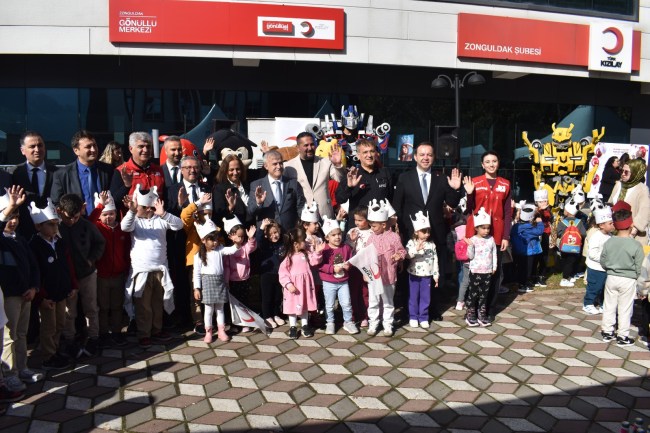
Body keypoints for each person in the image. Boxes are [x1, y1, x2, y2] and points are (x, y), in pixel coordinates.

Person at [392, 141, 463, 318]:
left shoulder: (441, 178)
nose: (425, 158)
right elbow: (397, 206)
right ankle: (409, 308)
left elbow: (452, 203)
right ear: (415, 157)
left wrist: (455, 189)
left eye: (429, 155)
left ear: (434, 157)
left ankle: (432, 308)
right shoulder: (405, 178)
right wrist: (398, 230)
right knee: (409, 272)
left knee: (434, 271)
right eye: (422, 154)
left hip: (435, 233)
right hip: (411, 234)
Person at [121, 185, 183, 349]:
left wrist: (163, 214)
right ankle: (144, 333)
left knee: (157, 303)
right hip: (141, 271)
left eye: (143, 207)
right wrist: (131, 211)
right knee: (143, 305)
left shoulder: (160, 220)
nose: (142, 209)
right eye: (140, 207)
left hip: (160, 270)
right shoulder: (134, 220)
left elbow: (179, 225)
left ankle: (157, 330)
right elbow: (124, 227)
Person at [0, 186, 42, 391]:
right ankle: (10, 374)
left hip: (26, 294)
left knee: (22, 333)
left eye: (16, 216)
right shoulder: (1, 241)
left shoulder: (20, 240)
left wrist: (34, 287)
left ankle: (22, 367)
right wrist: (8, 208)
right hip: (10, 296)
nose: (13, 221)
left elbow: (33, 266)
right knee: (10, 336)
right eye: (9, 217)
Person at [463, 151, 512, 321]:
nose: (491, 164)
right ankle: (471, 308)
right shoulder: (475, 182)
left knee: (494, 272)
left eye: (494, 161)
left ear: (498, 163)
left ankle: (488, 309)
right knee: (474, 273)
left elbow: (507, 212)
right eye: (488, 162)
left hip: (496, 234)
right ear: (482, 165)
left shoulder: (505, 184)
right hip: (477, 234)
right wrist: (470, 193)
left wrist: (506, 236)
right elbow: (469, 208)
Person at [28, 199, 76, 370]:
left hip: (61, 291)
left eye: (56, 224)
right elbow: (35, 273)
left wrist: (72, 285)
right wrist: (41, 297)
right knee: (49, 326)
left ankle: (55, 350)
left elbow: (68, 265)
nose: (55, 228)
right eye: (50, 224)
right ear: (38, 226)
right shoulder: (34, 246)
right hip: (47, 296)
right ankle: (48, 356)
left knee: (60, 323)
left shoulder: (59, 242)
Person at [57, 194, 105, 358]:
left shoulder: (87, 225)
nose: (72, 221)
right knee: (69, 311)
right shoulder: (57, 227)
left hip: (87, 274)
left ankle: (93, 336)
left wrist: (92, 258)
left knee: (91, 307)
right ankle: (69, 339)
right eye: (68, 218)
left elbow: (100, 243)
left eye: (76, 217)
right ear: (60, 211)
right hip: (67, 277)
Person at [88, 191, 130, 347]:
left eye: (111, 213)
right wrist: (100, 206)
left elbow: (127, 250)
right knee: (103, 307)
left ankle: (117, 332)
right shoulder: (97, 228)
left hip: (118, 274)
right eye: (105, 214)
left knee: (117, 306)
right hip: (102, 275)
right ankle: (104, 332)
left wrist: (126, 268)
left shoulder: (122, 229)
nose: (108, 217)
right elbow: (89, 222)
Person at [600, 204, 645, 346]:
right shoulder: (635, 245)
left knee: (609, 305)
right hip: (628, 279)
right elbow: (640, 266)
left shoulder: (609, 242)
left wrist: (609, 269)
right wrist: (640, 282)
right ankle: (622, 336)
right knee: (625, 308)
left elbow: (603, 260)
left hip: (611, 277)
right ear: (631, 224)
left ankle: (607, 332)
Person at [192, 219, 240, 343]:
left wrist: (236, 242)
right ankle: (208, 332)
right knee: (208, 309)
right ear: (203, 240)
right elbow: (196, 273)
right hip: (207, 283)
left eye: (216, 239)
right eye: (212, 240)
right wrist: (197, 288)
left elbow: (231, 250)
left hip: (219, 282)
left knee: (220, 308)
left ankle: (221, 330)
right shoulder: (198, 255)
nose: (215, 242)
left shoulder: (220, 249)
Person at [364, 199, 406, 337]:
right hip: (374, 276)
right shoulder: (371, 238)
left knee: (388, 301)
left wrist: (398, 256)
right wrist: (365, 272)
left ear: (383, 224)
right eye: (371, 226)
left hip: (389, 275)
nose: (372, 228)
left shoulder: (394, 237)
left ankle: (388, 323)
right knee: (373, 301)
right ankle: (373, 322)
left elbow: (402, 251)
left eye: (374, 226)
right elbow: (366, 256)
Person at [50, 130, 114, 215]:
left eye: (95, 145)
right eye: (88, 147)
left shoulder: (108, 170)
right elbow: (56, 202)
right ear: (76, 150)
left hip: (104, 221)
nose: (93, 149)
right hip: (77, 221)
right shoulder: (62, 174)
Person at [284, 132, 345, 219]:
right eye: (306, 145)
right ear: (298, 148)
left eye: (312, 144)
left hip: (325, 214)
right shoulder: (288, 166)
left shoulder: (326, 162)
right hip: (302, 215)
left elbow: (340, 179)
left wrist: (338, 165)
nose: (310, 148)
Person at [335, 139, 392, 229]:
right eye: (365, 152)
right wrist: (349, 187)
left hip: (380, 228)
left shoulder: (384, 173)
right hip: (358, 229)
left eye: (372, 151)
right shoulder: (352, 174)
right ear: (358, 155)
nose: (369, 155)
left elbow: (391, 200)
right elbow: (340, 199)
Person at [278, 227, 323, 339]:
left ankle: (305, 325)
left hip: (305, 287)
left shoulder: (306, 253)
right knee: (292, 306)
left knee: (304, 305)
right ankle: (292, 327)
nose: (305, 241)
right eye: (303, 240)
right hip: (293, 288)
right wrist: (288, 284)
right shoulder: (288, 257)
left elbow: (315, 261)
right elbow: (282, 274)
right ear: (296, 244)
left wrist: (317, 251)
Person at [12, 131, 59, 237]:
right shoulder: (14, 173)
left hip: (51, 233)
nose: (37, 150)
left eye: (40, 145)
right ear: (23, 150)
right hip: (24, 232)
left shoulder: (57, 173)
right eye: (32, 146)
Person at [179, 192, 213, 335]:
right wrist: (198, 203)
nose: (206, 216)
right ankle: (198, 321)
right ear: (198, 213)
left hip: (211, 266)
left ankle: (211, 320)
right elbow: (184, 215)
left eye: (209, 214)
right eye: (203, 213)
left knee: (210, 293)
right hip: (195, 265)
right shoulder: (192, 226)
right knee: (196, 293)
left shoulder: (215, 228)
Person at [248, 150, 306, 231]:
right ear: (266, 166)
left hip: (290, 232)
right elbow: (251, 212)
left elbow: (301, 207)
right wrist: (259, 203)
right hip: (268, 233)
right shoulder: (257, 185)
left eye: (281, 163)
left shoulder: (293, 184)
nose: (279, 166)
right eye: (275, 164)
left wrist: (302, 227)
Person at [318, 216, 357, 335]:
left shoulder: (345, 247)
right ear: (327, 237)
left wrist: (348, 265)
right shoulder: (324, 249)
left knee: (346, 303)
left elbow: (351, 259)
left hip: (343, 281)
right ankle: (330, 322)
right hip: (328, 282)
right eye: (333, 235)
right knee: (329, 305)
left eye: (339, 234)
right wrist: (332, 268)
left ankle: (348, 322)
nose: (337, 237)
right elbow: (320, 265)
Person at [110, 131, 165, 205]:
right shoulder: (121, 171)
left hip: (156, 212)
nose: (145, 150)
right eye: (141, 146)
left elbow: (165, 197)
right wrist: (126, 186)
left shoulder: (159, 170)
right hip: (131, 212)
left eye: (148, 146)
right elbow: (113, 201)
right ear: (131, 149)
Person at [223, 216, 257, 333]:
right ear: (230, 236)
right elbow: (226, 267)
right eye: (238, 236)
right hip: (233, 281)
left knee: (244, 302)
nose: (241, 239)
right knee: (234, 304)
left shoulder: (245, 247)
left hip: (244, 280)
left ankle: (245, 323)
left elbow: (252, 246)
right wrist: (226, 281)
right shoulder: (228, 251)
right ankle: (235, 324)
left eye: (242, 236)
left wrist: (251, 238)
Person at [405, 211, 439, 329]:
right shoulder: (411, 242)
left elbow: (435, 259)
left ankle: (423, 317)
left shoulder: (431, 244)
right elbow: (407, 255)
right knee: (413, 296)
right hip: (414, 274)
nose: (427, 234)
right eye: (424, 232)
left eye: (428, 231)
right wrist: (416, 249)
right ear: (416, 231)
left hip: (427, 275)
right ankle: (413, 317)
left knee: (425, 297)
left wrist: (436, 275)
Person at [465, 208, 498, 327]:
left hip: (487, 272)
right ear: (476, 228)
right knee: (473, 294)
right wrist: (470, 246)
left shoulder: (491, 239)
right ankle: (470, 315)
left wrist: (494, 266)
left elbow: (494, 253)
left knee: (484, 295)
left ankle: (482, 315)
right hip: (475, 271)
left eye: (488, 228)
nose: (486, 231)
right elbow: (470, 256)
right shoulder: (473, 240)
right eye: (483, 228)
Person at [608, 159, 650, 246]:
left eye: (626, 172)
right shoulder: (618, 185)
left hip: (632, 236)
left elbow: (644, 212)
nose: (623, 174)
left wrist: (632, 232)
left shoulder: (642, 190)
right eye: (622, 171)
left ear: (635, 173)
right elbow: (611, 204)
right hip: (614, 232)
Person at [583, 206, 614, 315]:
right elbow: (592, 254)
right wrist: (605, 258)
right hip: (595, 268)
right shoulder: (596, 236)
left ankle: (602, 303)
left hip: (605, 267)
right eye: (610, 223)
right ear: (601, 225)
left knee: (604, 287)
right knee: (594, 287)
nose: (613, 225)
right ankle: (588, 303)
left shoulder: (610, 236)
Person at [256, 218, 286, 329]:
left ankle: (276, 314)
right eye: (270, 234)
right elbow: (258, 239)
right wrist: (262, 227)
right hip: (267, 274)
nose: (274, 235)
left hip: (280, 274)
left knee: (277, 296)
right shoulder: (265, 244)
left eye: (275, 232)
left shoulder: (283, 242)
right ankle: (267, 316)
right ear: (266, 235)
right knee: (267, 297)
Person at [510, 202, 544, 294]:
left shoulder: (516, 226)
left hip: (517, 251)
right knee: (527, 269)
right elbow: (540, 231)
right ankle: (524, 284)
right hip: (528, 252)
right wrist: (540, 222)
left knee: (520, 267)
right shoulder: (529, 228)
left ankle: (521, 282)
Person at [212, 154, 250, 230]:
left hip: (252, 230)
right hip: (235, 233)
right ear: (225, 170)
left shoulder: (248, 184)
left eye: (238, 169)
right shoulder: (219, 189)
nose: (235, 172)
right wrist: (230, 207)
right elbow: (218, 215)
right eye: (231, 170)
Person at [556, 199, 587, 287]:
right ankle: (568, 276)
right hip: (575, 246)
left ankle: (565, 279)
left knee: (565, 261)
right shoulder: (579, 222)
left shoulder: (563, 222)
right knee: (571, 262)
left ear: (568, 212)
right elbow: (584, 234)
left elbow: (558, 233)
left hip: (564, 246)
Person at [533, 189, 553, 287]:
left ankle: (541, 276)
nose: (543, 203)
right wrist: (540, 210)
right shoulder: (534, 211)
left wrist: (544, 210)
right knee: (535, 256)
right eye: (540, 202)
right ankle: (533, 276)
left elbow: (549, 217)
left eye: (545, 201)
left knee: (544, 256)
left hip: (545, 234)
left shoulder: (549, 211)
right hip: (536, 235)